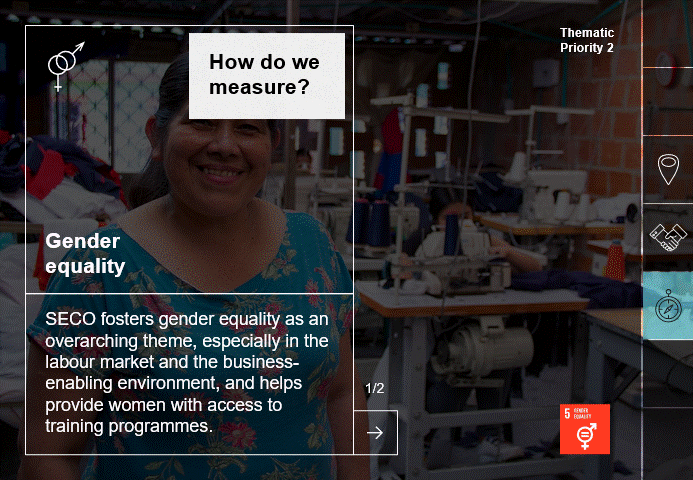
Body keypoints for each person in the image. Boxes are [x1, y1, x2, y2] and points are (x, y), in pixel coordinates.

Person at [19, 54, 369, 480]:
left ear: (271, 143)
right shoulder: (98, 269)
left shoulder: (312, 246)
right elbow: (49, 456)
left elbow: (342, 392)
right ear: (157, 135)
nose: (225, 145)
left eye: (247, 128)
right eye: (202, 122)